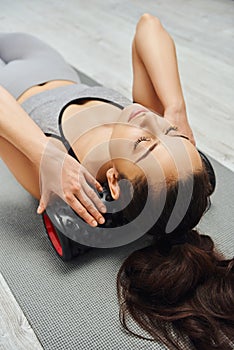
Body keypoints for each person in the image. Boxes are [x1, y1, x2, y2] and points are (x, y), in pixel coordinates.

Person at [0, 13, 233, 350]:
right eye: (170, 133)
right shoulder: (145, 116)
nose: (149, 120)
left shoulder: (64, 175)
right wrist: (175, 108)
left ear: (113, 181)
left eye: (145, 143)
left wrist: (44, 153)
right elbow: (148, 25)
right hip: (49, 65)